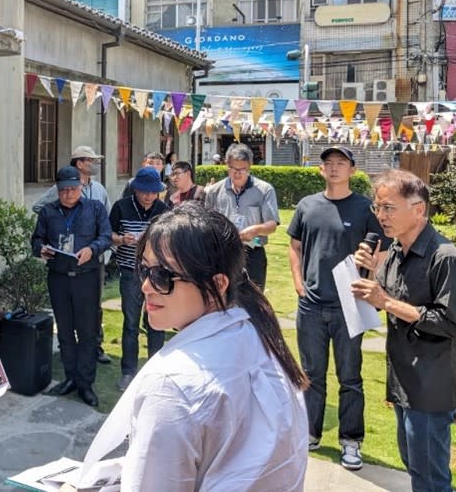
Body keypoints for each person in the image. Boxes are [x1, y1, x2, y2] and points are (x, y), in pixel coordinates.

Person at [80, 203, 308, 491]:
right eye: (144, 270)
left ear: (218, 283)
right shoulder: (257, 336)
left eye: (163, 276)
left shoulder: (173, 384)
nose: (146, 287)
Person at [353, 169, 456, 491]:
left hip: (432, 386)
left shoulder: (446, 258)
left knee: (430, 479)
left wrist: (386, 301)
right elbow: (379, 300)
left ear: (419, 209)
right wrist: (367, 272)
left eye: (388, 208)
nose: (380, 216)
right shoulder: (396, 254)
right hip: (406, 381)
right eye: (377, 208)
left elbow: (453, 322)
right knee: (415, 468)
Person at [287, 147, 387, 470]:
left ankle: (350, 441)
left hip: (349, 306)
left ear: (352, 171)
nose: (333, 168)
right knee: (311, 375)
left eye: (340, 164)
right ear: (320, 170)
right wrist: (299, 283)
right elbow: (295, 246)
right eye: (328, 163)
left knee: (350, 377)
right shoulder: (307, 206)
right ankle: (310, 433)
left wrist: (370, 277)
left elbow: (381, 253)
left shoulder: (364, 209)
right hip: (312, 307)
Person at [31, 166, 112, 407]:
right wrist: (41, 249)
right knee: (65, 331)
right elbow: (37, 239)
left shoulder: (94, 208)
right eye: (64, 189)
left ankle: (85, 383)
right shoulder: (48, 212)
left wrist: (92, 249)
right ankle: (70, 378)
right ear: (57, 190)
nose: (68, 194)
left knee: (87, 332)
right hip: (58, 277)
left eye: (73, 189)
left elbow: (106, 236)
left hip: (86, 276)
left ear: (81, 187)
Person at [109, 167, 169, 392]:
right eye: (144, 192)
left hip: (156, 273)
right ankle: (128, 372)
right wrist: (121, 239)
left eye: (153, 192)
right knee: (130, 323)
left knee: (157, 321)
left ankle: (155, 370)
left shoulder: (163, 209)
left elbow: (170, 238)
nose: (148, 196)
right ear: (136, 190)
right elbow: (108, 235)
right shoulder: (121, 207)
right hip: (130, 271)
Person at [203, 143, 279, 290]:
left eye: (242, 169)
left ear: (249, 167)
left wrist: (256, 230)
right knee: (222, 297)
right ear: (227, 166)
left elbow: (272, 225)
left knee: (253, 299)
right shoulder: (214, 191)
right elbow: (207, 225)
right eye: (233, 169)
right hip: (223, 252)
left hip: (252, 253)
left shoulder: (264, 190)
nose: (237, 173)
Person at [31, 145, 111, 214]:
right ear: (79, 164)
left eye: (95, 161)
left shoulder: (99, 188)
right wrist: (61, 219)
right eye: (91, 160)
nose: (95, 164)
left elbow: (107, 215)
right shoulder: (64, 187)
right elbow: (38, 207)